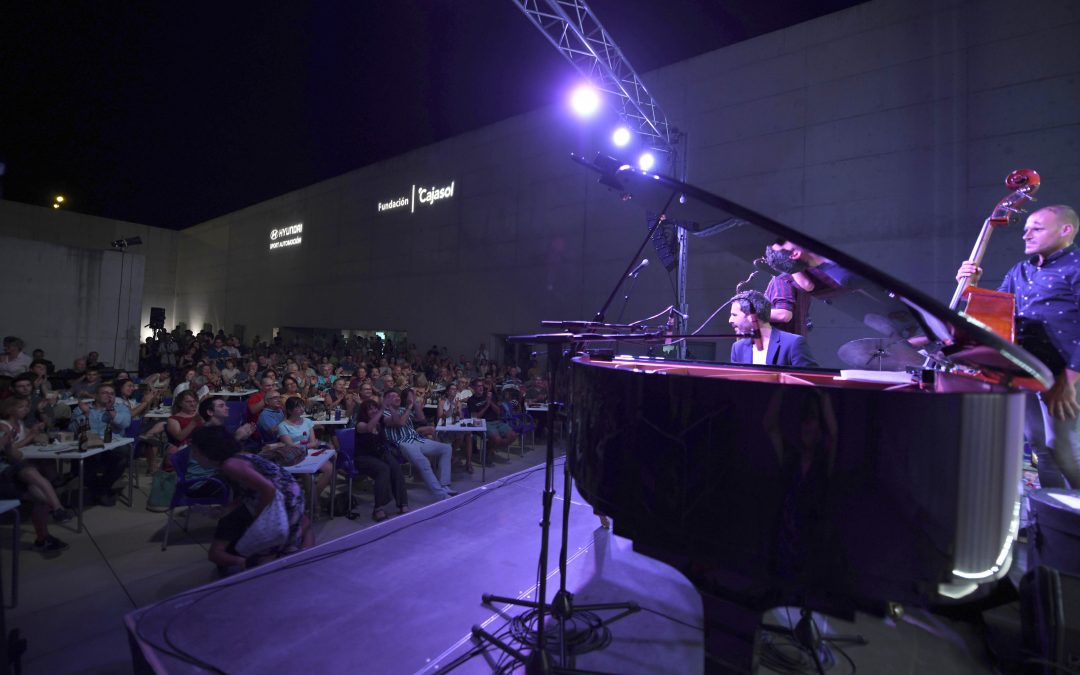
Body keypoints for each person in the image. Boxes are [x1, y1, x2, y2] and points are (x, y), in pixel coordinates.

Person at [956, 205, 1080, 489]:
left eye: (1036, 228)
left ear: (1066, 230)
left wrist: (1069, 380)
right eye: (1025, 229)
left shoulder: (1077, 267)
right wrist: (969, 285)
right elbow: (992, 311)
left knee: (1065, 449)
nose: (1026, 235)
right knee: (1039, 446)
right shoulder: (1020, 271)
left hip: (1066, 373)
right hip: (1027, 368)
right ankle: (1050, 516)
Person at [189, 426, 311, 572]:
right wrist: (227, 509)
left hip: (286, 498)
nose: (193, 456)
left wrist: (259, 519)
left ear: (208, 451)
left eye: (195, 451)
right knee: (286, 539)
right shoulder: (235, 458)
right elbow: (250, 492)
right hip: (288, 493)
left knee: (273, 546)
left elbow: (268, 489)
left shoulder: (230, 465)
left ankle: (283, 572)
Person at [0, 399, 74, 554]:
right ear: (10, 409)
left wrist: (10, 445)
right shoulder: (3, 426)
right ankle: (57, 509)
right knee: (30, 473)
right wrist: (27, 437)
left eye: (27, 406)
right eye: (21, 406)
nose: (26, 410)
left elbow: (16, 454)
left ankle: (43, 538)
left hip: (15, 469)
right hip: (6, 476)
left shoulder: (20, 425)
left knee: (42, 495)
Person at [382, 390, 455, 500]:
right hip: (403, 443)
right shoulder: (384, 414)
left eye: (397, 395)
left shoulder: (403, 409)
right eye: (392, 396)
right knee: (424, 462)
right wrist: (409, 408)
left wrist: (414, 402)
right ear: (386, 400)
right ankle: (440, 494)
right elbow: (400, 422)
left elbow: (421, 418)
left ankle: (444, 485)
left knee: (446, 448)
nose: (396, 397)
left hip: (417, 439)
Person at [69, 383, 132, 505]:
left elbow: (124, 424)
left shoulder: (121, 408)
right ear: (96, 396)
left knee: (123, 456)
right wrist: (85, 415)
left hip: (111, 449)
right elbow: (71, 430)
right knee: (78, 461)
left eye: (112, 393)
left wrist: (111, 410)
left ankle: (99, 490)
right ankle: (101, 491)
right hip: (88, 448)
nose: (109, 396)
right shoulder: (82, 409)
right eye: (105, 393)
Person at [728, 290, 817, 368]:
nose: (730, 320)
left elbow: (812, 380)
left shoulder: (793, 343)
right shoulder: (738, 348)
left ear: (752, 316)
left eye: (734, 315)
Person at [353, 399, 408, 520]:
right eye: (370, 409)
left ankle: (402, 503)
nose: (374, 411)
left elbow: (396, 421)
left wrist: (391, 408)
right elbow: (368, 428)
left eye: (375, 408)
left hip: (380, 454)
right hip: (363, 457)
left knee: (395, 467)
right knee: (383, 469)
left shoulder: (381, 420)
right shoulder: (360, 424)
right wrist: (381, 410)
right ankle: (378, 508)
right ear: (364, 412)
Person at [277, 398, 333, 502]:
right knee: (306, 473)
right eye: (297, 407)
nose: (301, 409)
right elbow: (290, 446)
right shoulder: (283, 426)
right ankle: (314, 504)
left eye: (302, 406)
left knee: (329, 468)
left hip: (310, 453)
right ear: (289, 410)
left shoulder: (307, 421)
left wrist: (308, 445)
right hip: (294, 456)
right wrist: (308, 445)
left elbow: (314, 444)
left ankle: (311, 499)